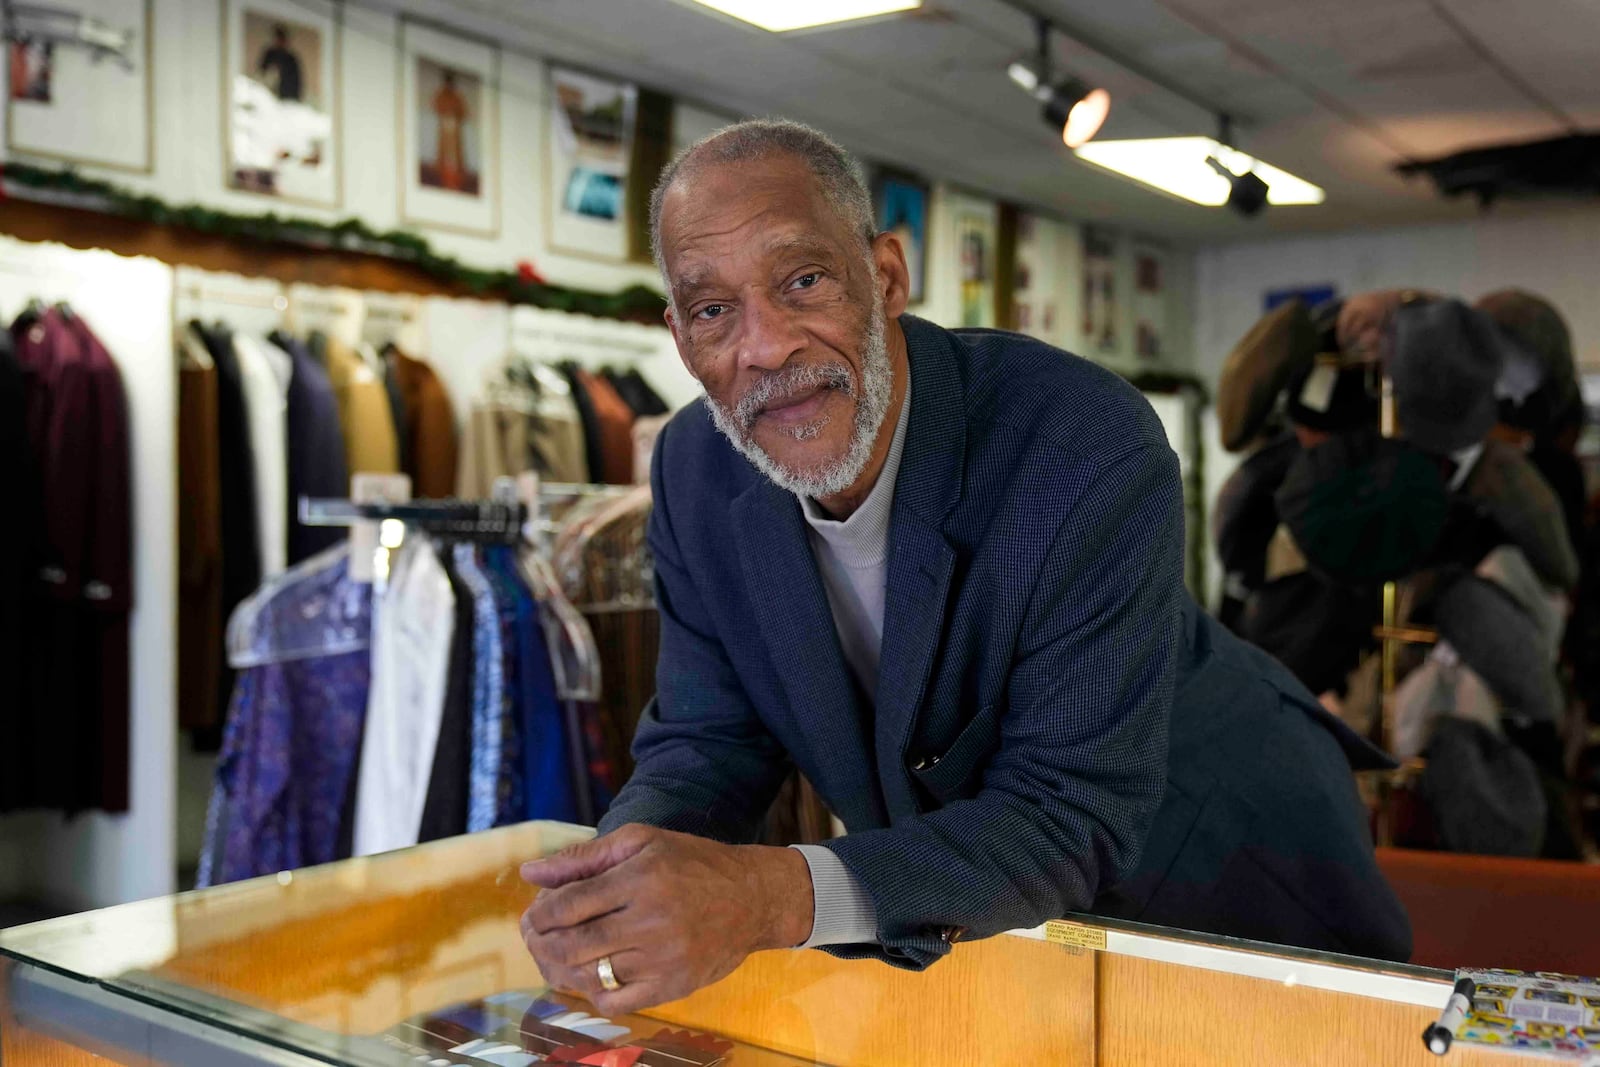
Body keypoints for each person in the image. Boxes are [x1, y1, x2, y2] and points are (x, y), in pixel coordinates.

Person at [518, 119, 1410, 1014]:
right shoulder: (693, 471)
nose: (765, 346)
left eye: (805, 281)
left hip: (1225, 870)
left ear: (887, 276)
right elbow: (708, 740)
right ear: (680, 338)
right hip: (980, 919)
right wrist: (618, 886)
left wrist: (763, 895)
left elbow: (1069, 811)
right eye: (714, 310)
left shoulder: (1080, 441)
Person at [430, 70, 469, 192]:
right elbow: (436, 105)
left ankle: (456, 179)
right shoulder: (441, 93)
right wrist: (445, 112)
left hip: (454, 126)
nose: (449, 85)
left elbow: (463, 111)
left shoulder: (457, 96)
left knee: (455, 153)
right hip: (444, 124)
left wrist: (455, 114)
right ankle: (443, 175)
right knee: (444, 151)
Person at [257, 24, 303, 103]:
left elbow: (296, 84)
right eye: (278, 39)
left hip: (286, 98)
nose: (280, 42)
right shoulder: (270, 54)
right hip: (267, 95)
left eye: (282, 39)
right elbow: (262, 71)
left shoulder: (291, 59)